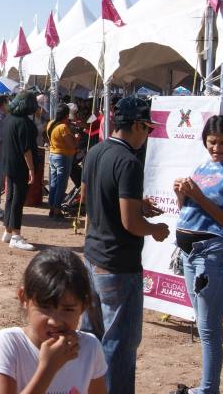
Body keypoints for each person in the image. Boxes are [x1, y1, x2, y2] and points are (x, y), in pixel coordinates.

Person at [79, 96, 168, 394]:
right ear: (138, 125)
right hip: (118, 263)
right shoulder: (129, 161)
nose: (149, 135)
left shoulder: (96, 151)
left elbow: (90, 195)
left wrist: (137, 203)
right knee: (119, 344)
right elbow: (131, 224)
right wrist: (155, 229)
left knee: (90, 336)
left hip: (93, 255)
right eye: (149, 129)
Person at [171, 116, 223, 394]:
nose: (216, 147)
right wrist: (181, 195)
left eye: (222, 143)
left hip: (212, 256)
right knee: (203, 324)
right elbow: (189, 210)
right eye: (211, 142)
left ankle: (208, 389)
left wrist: (198, 196)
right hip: (190, 253)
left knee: (208, 329)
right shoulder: (203, 166)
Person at [0, 247, 107, 394]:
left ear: (83, 306)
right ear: (24, 298)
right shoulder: (9, 343)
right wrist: (48, 368)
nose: (55, 321)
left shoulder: (90, 348)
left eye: (68, 309)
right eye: (45, 307)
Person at [1, 91, 39, 251]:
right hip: (20, 165)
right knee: (18, 199)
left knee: (10, 197)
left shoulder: (9, 118)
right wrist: (31, 168)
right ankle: (16, 235)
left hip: (9, 163)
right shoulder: (24, 123)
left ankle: (8, 231)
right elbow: (27, 149)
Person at [47, 103, 77, 221]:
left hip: (53, 154)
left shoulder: (51, 123)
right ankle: (57, 209)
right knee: (61, 184)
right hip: (63, 156)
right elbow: (71, 145)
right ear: (66, 114)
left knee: (53, 183)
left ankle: (52, 207)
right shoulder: (63, 127)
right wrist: (76, 138)